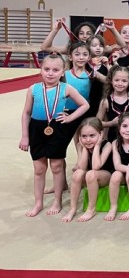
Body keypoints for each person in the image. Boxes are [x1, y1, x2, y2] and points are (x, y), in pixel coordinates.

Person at [19, 53, 90, 217]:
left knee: (57, 166)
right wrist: (25, 136)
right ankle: (38, 203)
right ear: (41, 70)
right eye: (47, 69)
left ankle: (57, 201)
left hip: (57, 128)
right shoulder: (34, 89)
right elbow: (26, 113)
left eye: (55, 70)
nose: (50, 73)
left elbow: (85, 105)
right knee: (39, 168)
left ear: (62, 71)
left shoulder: (66, 88)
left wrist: (70, 117)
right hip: (36, 129)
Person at [61, 117, 113, 223]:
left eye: (92, 136)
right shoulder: (80, 145)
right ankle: (72, 209)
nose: (88, 140)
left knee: (91, 174)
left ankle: (91, 209)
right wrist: (84, 148)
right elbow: (82, 167)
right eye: (84, 136)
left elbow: (96, 166)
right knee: (77, 173)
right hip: (90, 176)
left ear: (101, 134)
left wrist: (97, 146)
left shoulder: (107, 145)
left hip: (106, 176)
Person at [97, 66, 129, 143]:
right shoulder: (105, 101)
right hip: (113, 140)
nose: (120, 83)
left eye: (124, 81)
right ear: (111, 81)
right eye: (116, 80)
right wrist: (110, 123)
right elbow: (97, 123)